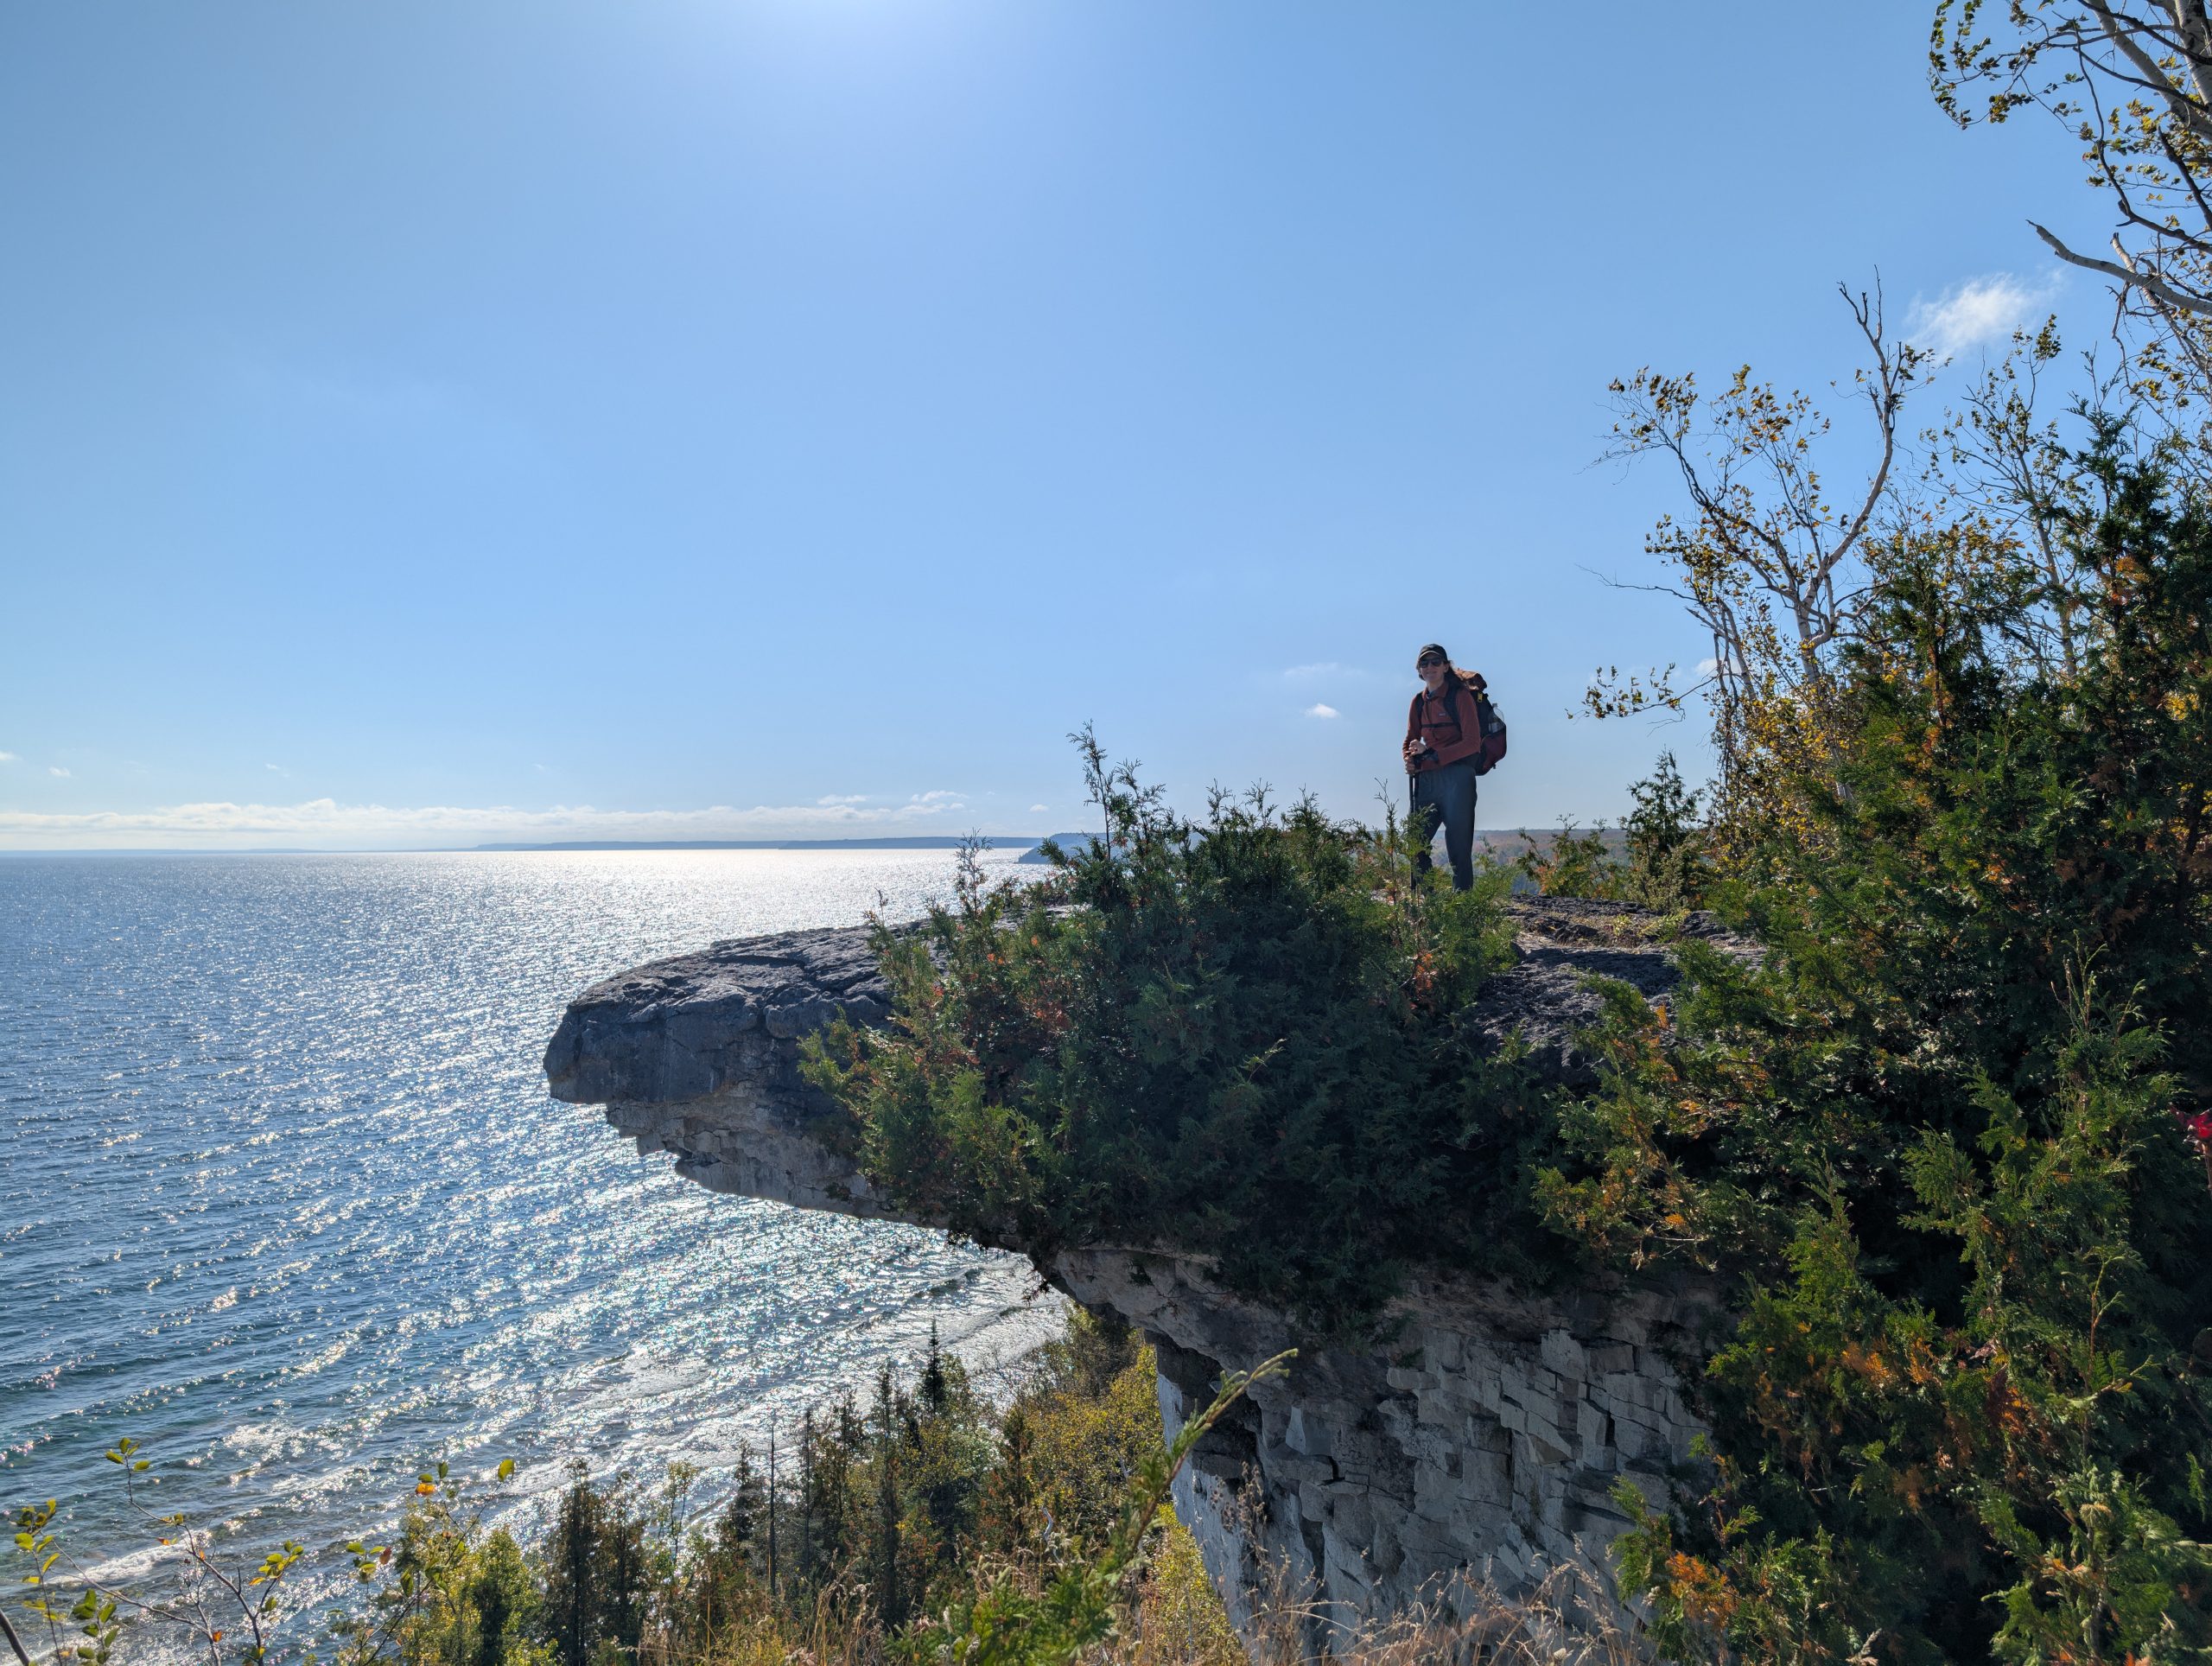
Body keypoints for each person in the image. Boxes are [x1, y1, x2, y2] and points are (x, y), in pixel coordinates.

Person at [1402, 642, 1484, 890]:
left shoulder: (1460, 697)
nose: (1430, 667)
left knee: (1458, 849)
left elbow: (1472, 743)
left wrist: (1434, 756)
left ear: (1446, 666)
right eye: (1424, 663)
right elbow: (1409, 738)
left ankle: (1462, 910)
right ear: (1419, 669)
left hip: (1458, 779)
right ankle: (1431, 904)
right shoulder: (1418, 702)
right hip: (1427, 779)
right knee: (1415, 843)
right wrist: (1409, 758)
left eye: (1436, 662)